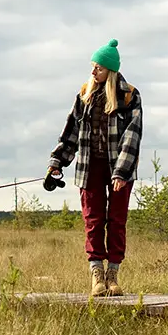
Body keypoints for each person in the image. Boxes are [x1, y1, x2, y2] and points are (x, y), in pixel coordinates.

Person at [47, 39, 143, 296]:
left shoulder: (129, 95)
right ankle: (96, 276)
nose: (93, 72)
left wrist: (121, 172)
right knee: (93, 220)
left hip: (119, 167)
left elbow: (132, 136)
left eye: (98, 67)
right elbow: (71, 130)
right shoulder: (84, 94)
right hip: (90, 166)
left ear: (109, 70)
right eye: (92, 66)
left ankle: (113, 276)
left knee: (117, 220)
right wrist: (57, 161)